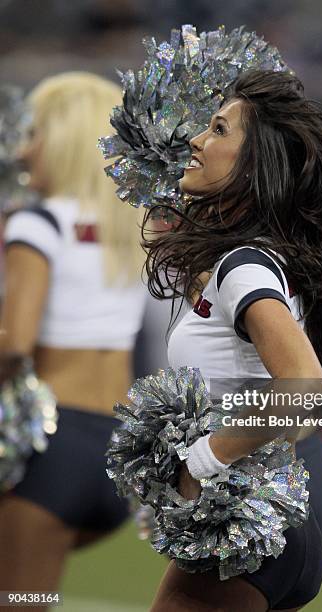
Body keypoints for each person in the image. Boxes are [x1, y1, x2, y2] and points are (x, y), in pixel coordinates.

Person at [142, 69, 322, 612]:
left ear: (254, 166)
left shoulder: (245, 266)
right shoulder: (254, 258)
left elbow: (305, 389)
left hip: (250, 528)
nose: (198, 140)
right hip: (269, 526)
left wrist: (204, 457)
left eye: (219, 130)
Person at [0, 72, 146, 604]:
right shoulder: (133, 228)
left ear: (63, 140)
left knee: (19, 601)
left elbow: (14, 344)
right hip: (121, 450)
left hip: (51, 444)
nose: (22, 150)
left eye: (35, 133)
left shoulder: (36, 225)